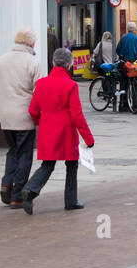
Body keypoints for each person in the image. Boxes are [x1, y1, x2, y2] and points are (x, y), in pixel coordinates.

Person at [21, 47, 93, 215]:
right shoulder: (71, 85)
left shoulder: (41, 83)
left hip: (47, 128)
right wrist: (88, 138)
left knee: (47, 165)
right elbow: (77, 114)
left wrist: (42, 122)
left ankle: (30, 189)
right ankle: (71, 200)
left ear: (53, 62)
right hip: (66, 129)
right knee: (72, 165)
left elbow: (33, 110)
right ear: (69, 65)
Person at [0, 28, 42, 207]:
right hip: (25, 116)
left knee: (12, 151)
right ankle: (17, 195)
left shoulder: (0, 61)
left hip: (5, 116)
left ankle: (6, 184)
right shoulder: (32, 62)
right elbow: (40, 90)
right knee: (24, 155)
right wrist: (41, 113)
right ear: (31, 44)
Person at [116, 22, 137, 113]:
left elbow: (118, 50)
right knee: (136, 85)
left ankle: (123, 105)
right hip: (135, 66)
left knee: (124, 84)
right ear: (135, 29)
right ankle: (135, 105)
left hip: (125, 65)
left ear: (128, 29)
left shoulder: (123, 38)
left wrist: (123, 57)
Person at [92, 30, 117, 108]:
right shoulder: (113, 45)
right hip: (111, 66)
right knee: (111, 80)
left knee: (104, 80)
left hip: (103, 66)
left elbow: (95, 53)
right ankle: (111, 95)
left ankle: (107, 96)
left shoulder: (101, 44)